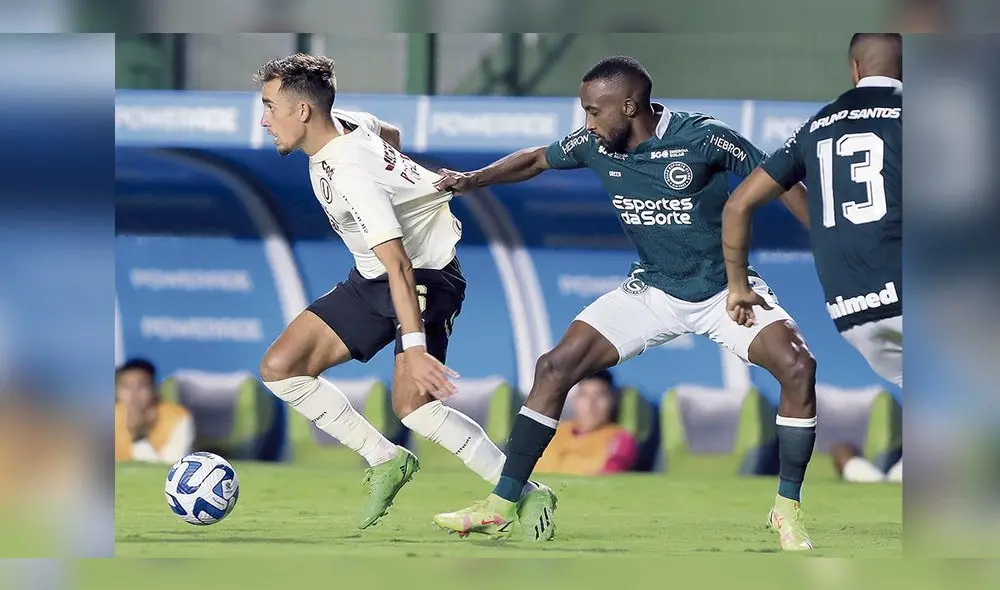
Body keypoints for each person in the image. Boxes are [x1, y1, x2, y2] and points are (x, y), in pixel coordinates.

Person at [432, 55, 818, 550]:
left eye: (594, 111)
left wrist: (831, 242)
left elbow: (780, 180)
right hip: (651, 290)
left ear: (630, 106)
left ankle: (786, 509)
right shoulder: (595, 143)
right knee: (555, 367)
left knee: (798, 367)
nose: (587, 123)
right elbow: (535, 160)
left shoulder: (704, 137)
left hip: (724, 291)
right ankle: (502, 504)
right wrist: (472, 179)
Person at [251, 53, 554, 531]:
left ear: (303, 112)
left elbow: (400, 263)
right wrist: (404, 183)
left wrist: (413, 349)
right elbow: (389, 134)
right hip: (372, 277)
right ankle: (385, 458)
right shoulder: (350, 124)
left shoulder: (351, 174)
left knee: (414, 406)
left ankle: (526, 493)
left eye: (269, 106)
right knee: (281, 368)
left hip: (424, 279)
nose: (264, 118)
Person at [722, 33, 902, 389]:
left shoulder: (816, 126)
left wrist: (739, 287)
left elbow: (738, 204)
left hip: (853, 313)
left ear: (855, 68)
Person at [534, 370, 638, 476]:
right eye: (584, 395)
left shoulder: (620, 439)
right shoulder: (550, 432)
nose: (590, 405)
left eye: (599, 396)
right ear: (575, 400)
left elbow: (610, 476)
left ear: (612, 401)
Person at [114, 358, 195, 464]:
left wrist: (139, 436)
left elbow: (172, 467)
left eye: (141, 386)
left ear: (154, 388)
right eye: (126, 386)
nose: (133, 394)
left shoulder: (178, 417)